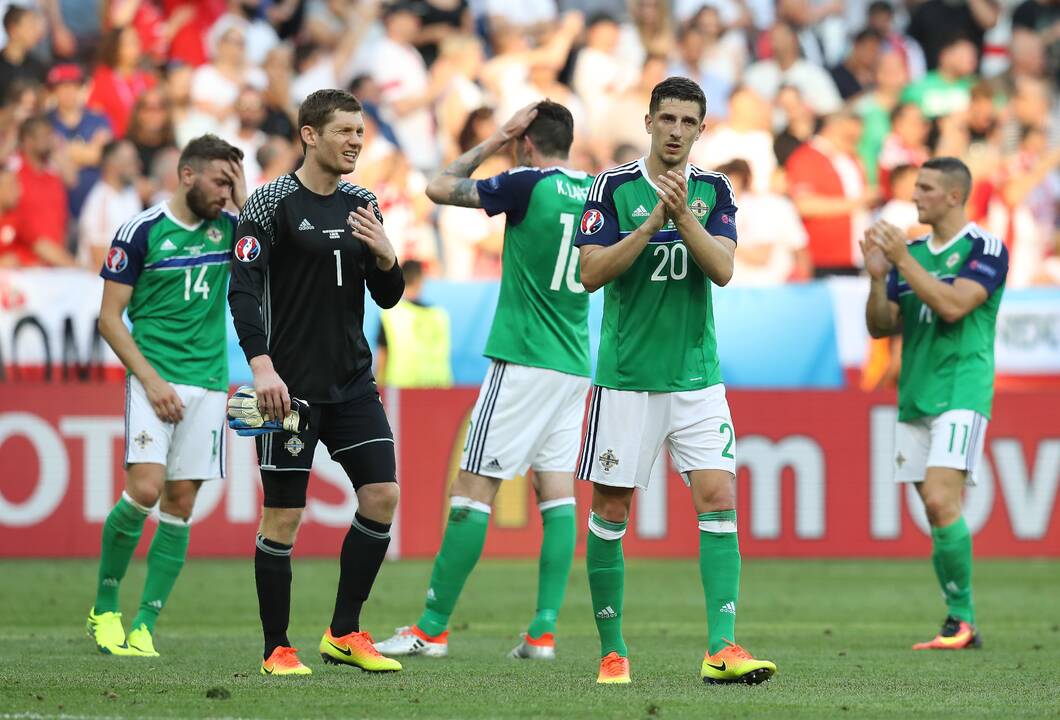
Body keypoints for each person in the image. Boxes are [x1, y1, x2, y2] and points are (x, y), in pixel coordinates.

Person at [573, 76, 776, 685]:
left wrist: (682, 217)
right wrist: (648, 224)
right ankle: (613, 650)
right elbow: (590, 274)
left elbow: (722, 270)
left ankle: (722, 646)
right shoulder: (610, 188)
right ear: (649, 121)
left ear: (701, 129)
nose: (677, 131)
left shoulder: (714, 192)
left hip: (697, 378)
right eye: (668, 119)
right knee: (612, 509)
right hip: (627, 379)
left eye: (689, 122)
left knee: (718, 500)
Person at [374, 101, 593, 661]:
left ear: (527, 141)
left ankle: (430, 628)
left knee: (472, 492)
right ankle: (543, 632)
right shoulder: (595, 192)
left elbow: (439, 187)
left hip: (522, 358)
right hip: (573, 365)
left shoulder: (526, 182)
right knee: (557, 496)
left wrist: (496, 135)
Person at [227, 88, 405, 677]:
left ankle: (344, 631)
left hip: (353, 381)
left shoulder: (363, 202)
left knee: (382, 497)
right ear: (310, 134)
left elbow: (388, 296)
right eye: (344, 131)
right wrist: (260, 365)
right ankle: (276, 646)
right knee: (284, 515)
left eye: (360, 131)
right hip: (287, 390)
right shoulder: (270, 203)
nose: (356, 140)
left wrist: (386, 255)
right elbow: (244, 288)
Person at [86, 134, 246, 657]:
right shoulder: (141, 231)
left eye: (233, 183)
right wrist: (151, 381)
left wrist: (243, 202)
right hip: (154, 377)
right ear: (187, 175)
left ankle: (146, 624)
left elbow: (277, 251)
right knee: (146, 490)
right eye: (221, 181)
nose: (227, 192)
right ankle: (105, 606)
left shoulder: (231, 229)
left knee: (181, 503)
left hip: (208, 383)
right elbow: (109, 319)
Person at [863, 157, 1008, 651]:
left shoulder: (984, 248)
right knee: (932, 505)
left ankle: (961, 621)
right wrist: (879, 278)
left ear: (952, 196)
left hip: (961, 391)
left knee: (944, 499)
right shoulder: (915, 250)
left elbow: (952, 306)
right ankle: (958, 619)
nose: (915, 195)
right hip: (916, 393)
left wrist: (901, 260)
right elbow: (881, 327)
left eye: (924, 188)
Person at [375, 259, 453, 388]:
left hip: (402, 391)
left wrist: (378, 387)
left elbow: (383, 355)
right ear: (421, 279)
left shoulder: (390, 314)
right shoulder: (440, 316)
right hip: (439, 389)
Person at [78, 139, 143, 269]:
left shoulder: (131, 194)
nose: (138, 165)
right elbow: (99, 258)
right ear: (111, 165)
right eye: (131, 161)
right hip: (100, 284)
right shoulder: (100, 201)